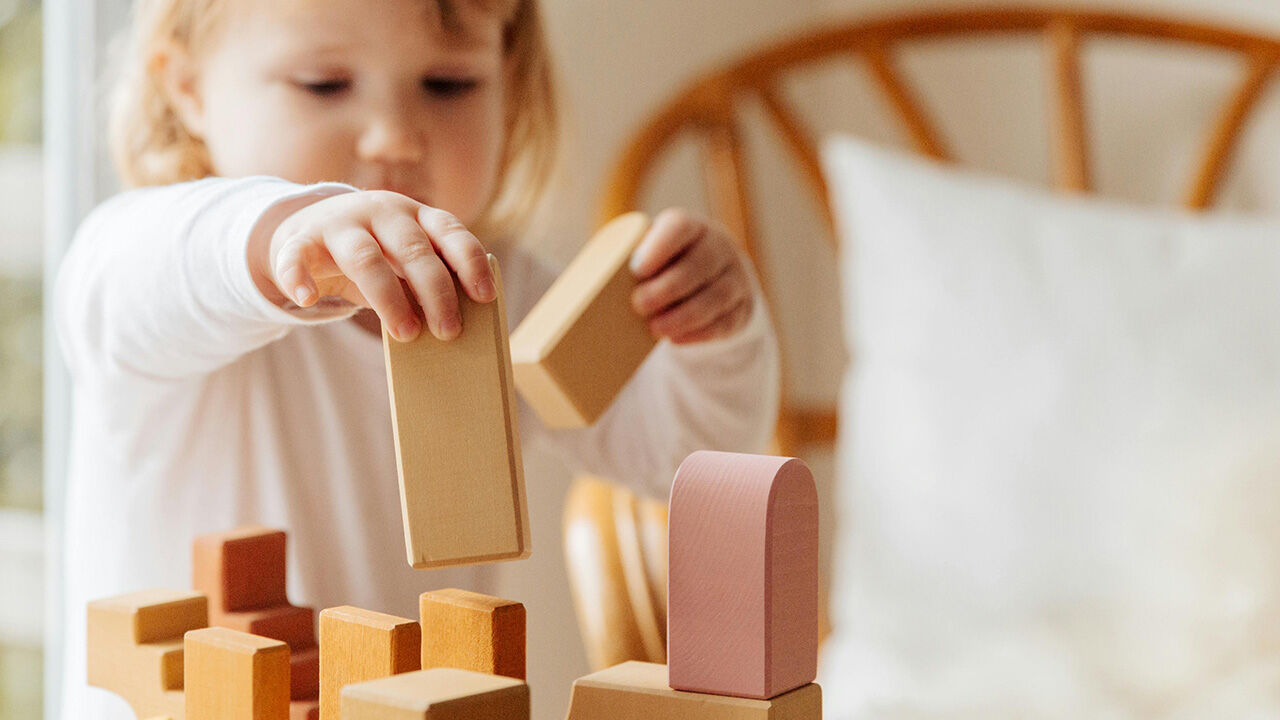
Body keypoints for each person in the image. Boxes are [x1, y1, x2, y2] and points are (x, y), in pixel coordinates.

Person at [54, 0, 779, 716]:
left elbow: (681, 460)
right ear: (188, 89)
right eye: (323, 85)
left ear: (508, 85)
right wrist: (280, 240)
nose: (395, 137)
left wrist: (711, 337)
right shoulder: (170, 273)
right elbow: (124, 279)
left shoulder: (501, 290)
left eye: (448, 84)